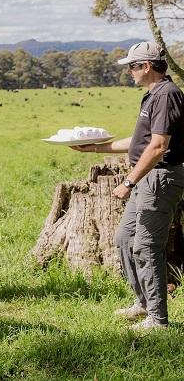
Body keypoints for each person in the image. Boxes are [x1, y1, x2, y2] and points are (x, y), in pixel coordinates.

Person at [72, 41, 184, 330]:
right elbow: (139, 144)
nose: (130, 72)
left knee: (146, 246)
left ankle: (158, 319)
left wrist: (129, 181)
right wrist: (94, 149)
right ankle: (143, 302)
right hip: (147, 176)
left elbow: (158, 147)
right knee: (124, 239)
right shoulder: (152, 95)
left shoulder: (167, 95)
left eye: (133, 67)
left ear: (146, 66)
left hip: (159, 178)